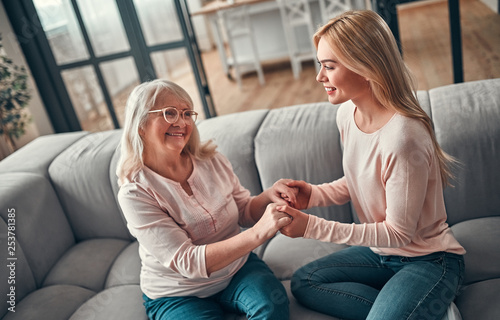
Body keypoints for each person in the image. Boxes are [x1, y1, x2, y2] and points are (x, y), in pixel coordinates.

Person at [275, 10, 466, 320]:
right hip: (381, 255)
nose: (319, 77)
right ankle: (412, 310)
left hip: (430, 260)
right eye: (320, 65)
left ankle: (420, 304)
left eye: (329, 66)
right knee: (305, 281)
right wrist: (312, 195)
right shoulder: (346, 115)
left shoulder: (403, 137)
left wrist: (311, 226)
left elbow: (399, 234)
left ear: (365, 67)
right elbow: (362, 180)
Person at [116, 79, 292, 320]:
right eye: (169, 113)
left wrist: (268, 197)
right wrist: (256, 234)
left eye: (187, 113)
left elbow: (243, 210)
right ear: (140, 125)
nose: (181, 122)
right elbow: (187, 261)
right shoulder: (135, 192)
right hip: (178, 294)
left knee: (273, 308)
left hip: (237, 269)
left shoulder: (212, 160)